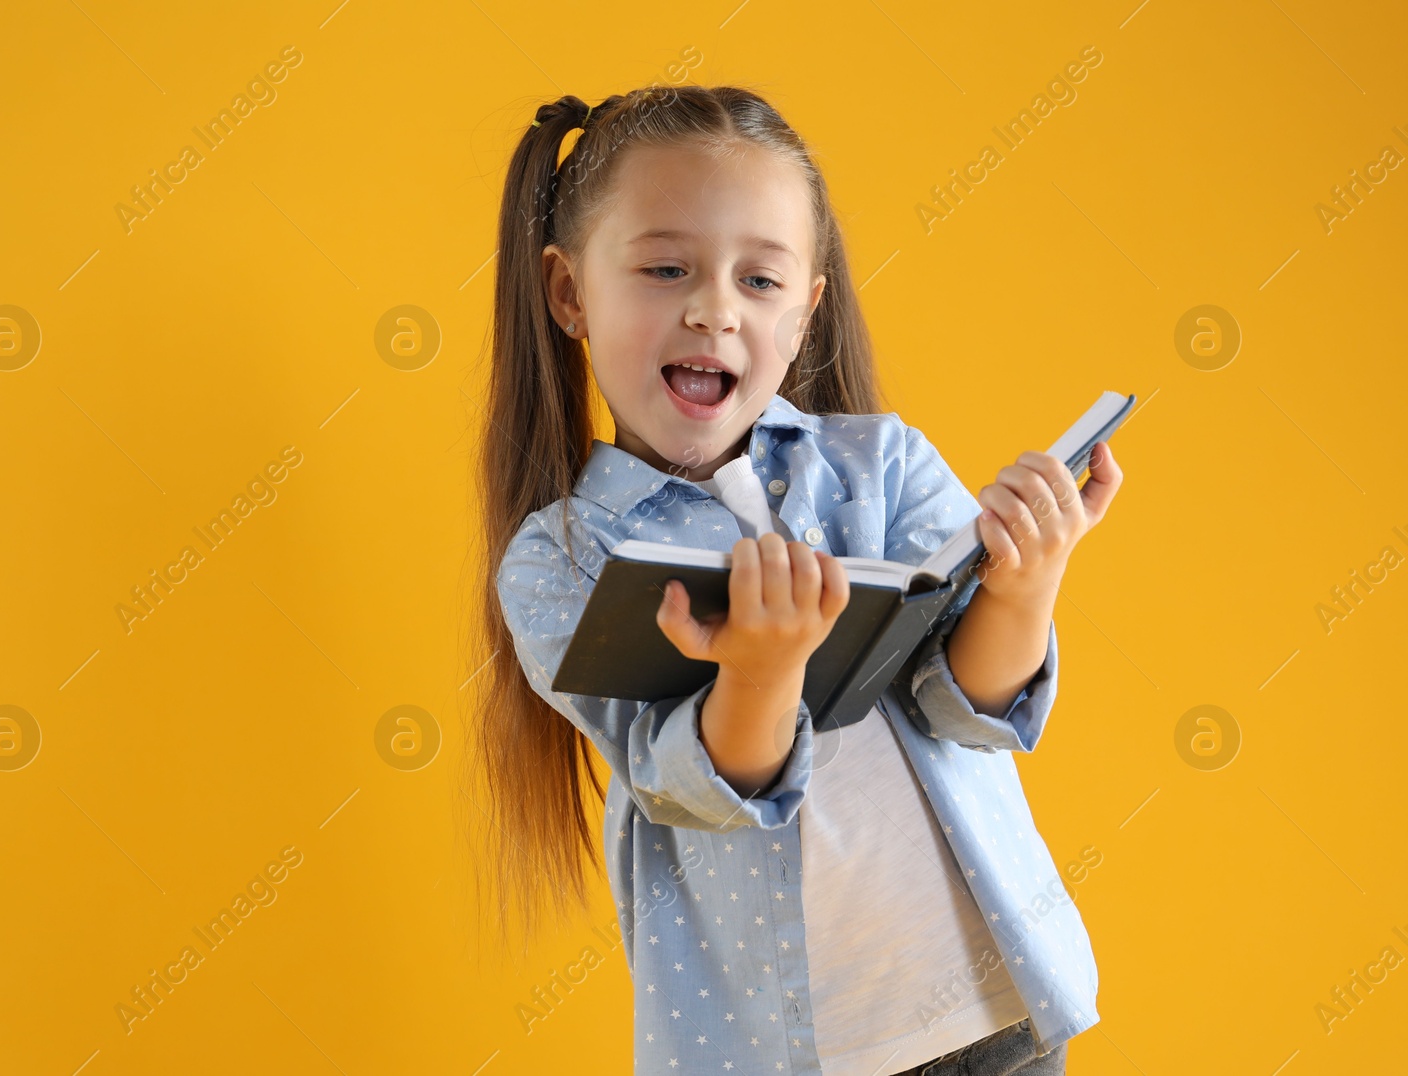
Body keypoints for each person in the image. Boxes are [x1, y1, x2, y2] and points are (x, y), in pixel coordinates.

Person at [467, 84, 1124, 1075]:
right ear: (568, 293)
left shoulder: (885, 464)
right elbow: (689, 783)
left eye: (760, 281)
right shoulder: (562, 557)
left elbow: (968, 705)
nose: (712, 309)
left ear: (807, 310)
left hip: (997, 1005)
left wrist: (1025, 586)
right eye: (663, 267)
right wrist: (761, 675)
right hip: (788, 1052)